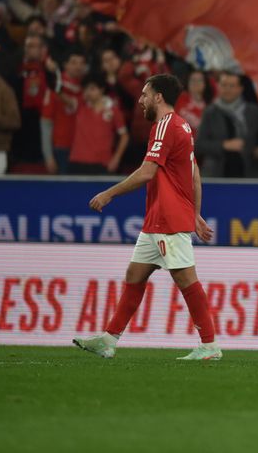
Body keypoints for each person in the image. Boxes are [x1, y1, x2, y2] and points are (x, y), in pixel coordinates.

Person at [73, 74, 220, 361]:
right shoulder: (182, 126)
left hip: (168, 217)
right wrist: (197, 212)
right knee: (135, 275)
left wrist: (109, 194)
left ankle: (210, 345)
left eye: (144, 95)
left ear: (158, 97)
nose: (139, 100)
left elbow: (147, 172)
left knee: (185, 278)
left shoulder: (166, 126)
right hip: (158, 217)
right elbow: (194, 173)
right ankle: (109, 339)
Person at [196, 72, 258, 178]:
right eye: (224, 85)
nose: (227, 89)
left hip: (248, 174)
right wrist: (224, 145)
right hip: (217, 174)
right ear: (218, 87)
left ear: (240, 89)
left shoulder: (253, 112)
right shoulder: (210, 112)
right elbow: (199, 145)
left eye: (232, 86)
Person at [67, 74, 129, 174]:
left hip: (101, 163)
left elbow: (124, 136)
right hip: (77, 162)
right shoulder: (79, 105)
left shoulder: (113, 110)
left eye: (92, 89)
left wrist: (116, 159)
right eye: (86, 89)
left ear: (102, 89)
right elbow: (64, 98)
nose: (88, 93)